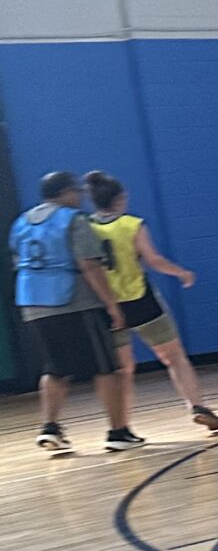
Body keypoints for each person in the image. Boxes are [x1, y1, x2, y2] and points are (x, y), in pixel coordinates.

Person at [13, 169, 142, 454]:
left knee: (54, 368)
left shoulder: (23, 222)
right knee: (105, 368)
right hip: (74, 302)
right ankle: (118, 431)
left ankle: (50, 428)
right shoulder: (74, 220)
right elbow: (89, 266)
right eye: (77, 193)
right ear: (66, 193)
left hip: (33, 303)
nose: (80, 198)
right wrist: (111, 305)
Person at [86, 171, 218, 434]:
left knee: (123, 370)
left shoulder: (85, 228)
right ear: (120, 198)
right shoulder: (132, 224)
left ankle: (122, 427)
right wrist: (181, 272)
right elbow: (153, 260)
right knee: (174, 357)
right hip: (141, 300)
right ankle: (197, 406)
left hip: (107, 305)